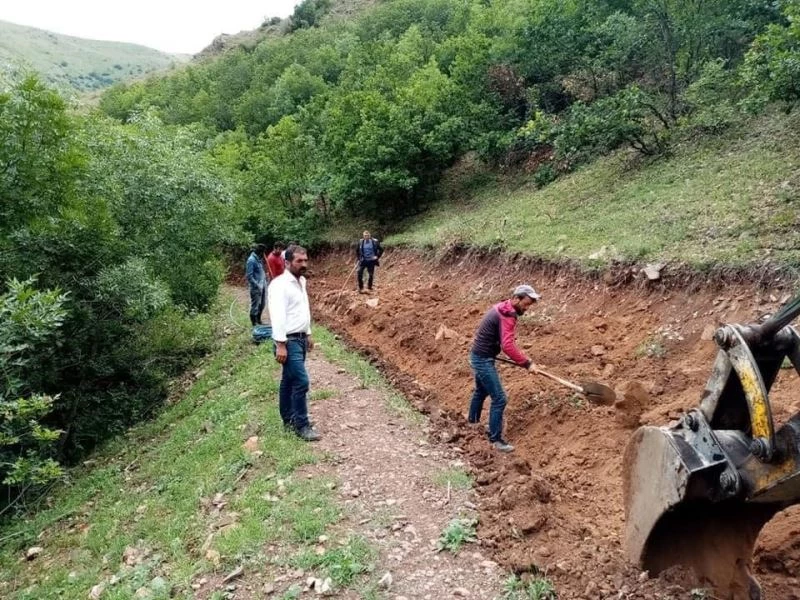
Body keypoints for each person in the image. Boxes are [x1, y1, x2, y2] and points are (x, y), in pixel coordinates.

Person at [467, 284, 541, 452]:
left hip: (481, 355)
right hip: (482, 359)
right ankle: (496, 440)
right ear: (516, 298)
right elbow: (507, 345)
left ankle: (471, 424)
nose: (527, 308)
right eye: (526, 303)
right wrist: (527, 363)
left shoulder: (502, 307)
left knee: (481, 391)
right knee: (500, 399)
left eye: (529, 305)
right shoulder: (508, 315)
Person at [268, 245, 320, 441]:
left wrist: (307, 333)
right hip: (287, 341)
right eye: (299, 261)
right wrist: (280, 344)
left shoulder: (302, 281)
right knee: (301, 381)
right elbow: (278, 315)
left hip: (299, 339)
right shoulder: (279, 285)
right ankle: (302, 425)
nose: (304, 264)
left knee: (288, 380)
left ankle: (288, 420)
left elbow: (302, 310)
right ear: (287, 262)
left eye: (305, 260)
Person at [245, 244, 267, 326]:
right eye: (263, 253)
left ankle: (259, 320)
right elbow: (249, 276)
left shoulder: (259, 259)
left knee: (263, 304)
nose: (264, 255)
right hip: (256, 287)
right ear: (260, 252)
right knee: (255, 305)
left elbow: (260, 271)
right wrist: (257, 285)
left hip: (263, 284)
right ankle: (254, 323)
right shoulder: (251, 260)